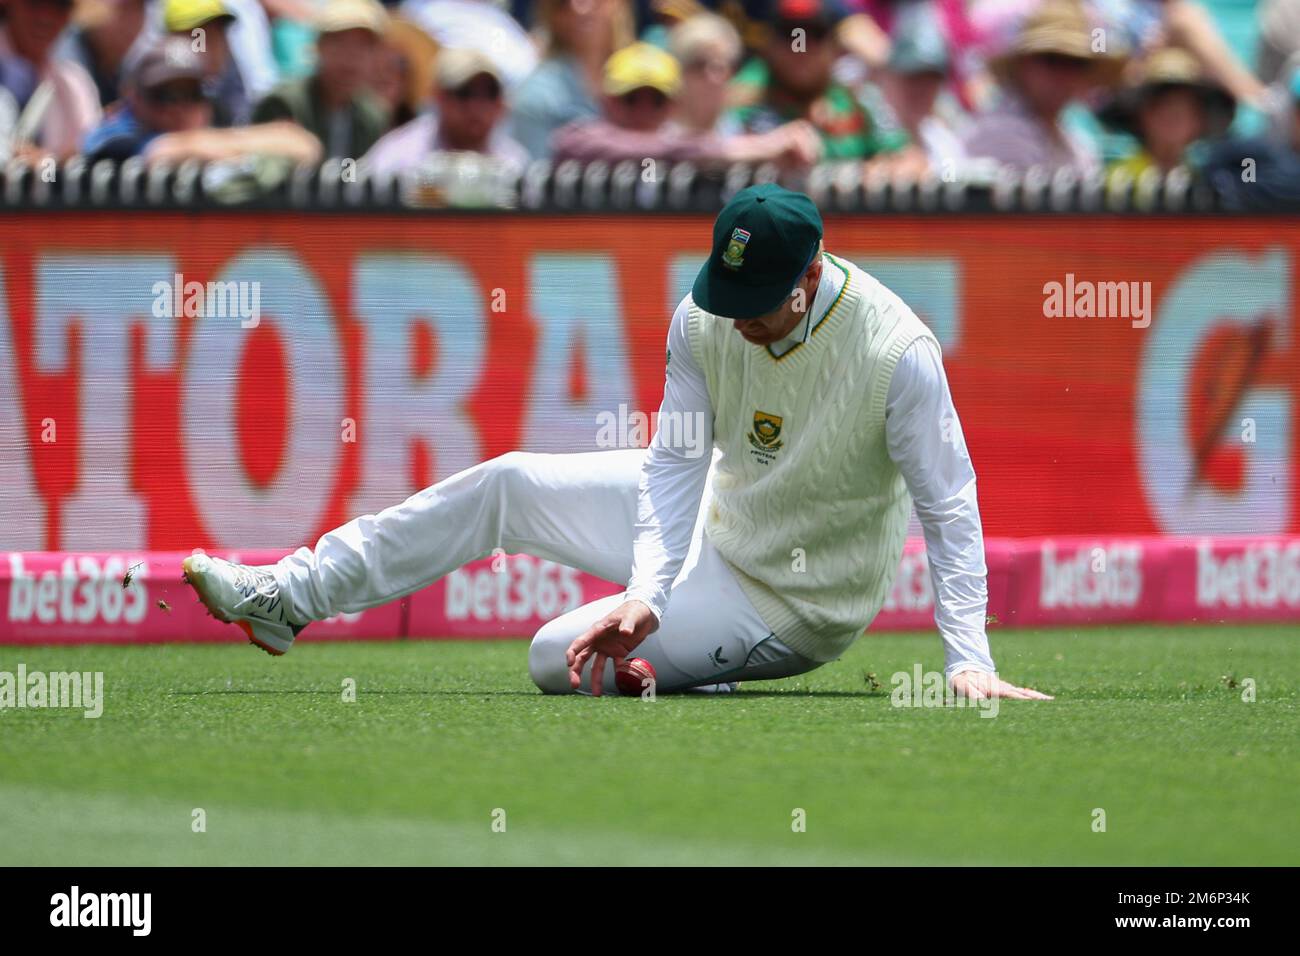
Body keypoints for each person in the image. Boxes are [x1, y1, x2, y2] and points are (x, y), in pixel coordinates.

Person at [181, 182, 1051, 704]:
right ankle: (291, 596)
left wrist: (966, 660)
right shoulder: (707, 318)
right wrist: (649, 591)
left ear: (812, 277)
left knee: (546, 657)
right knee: (509, 482)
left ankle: (682, 666)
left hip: (793, 605)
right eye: (728, 293)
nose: (736, 317)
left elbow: (949, 504)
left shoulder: (898, 352)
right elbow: (674, 463)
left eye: (758, 301)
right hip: (715, 519)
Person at [550, 40, 819, 167]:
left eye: (657, 99)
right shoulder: (580, 138)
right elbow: (657, 149)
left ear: (674, 105)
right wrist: (762, 146)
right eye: (630, 98)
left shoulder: (688, 144)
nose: (644, 109)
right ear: (606, 101)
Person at [82, 33, 320, 165]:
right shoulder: (114, 135)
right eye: (164, 95)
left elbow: (305, 145)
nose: (179, 107)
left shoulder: (216, 120)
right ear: (132, 97)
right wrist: (252, 143)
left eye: (192, 95)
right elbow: (162, 152)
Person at [726, 0, 911, 161]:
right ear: (770, 44)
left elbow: (906, 157)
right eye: (790, 34)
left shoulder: (858, 97)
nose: (800, 49)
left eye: (814, 34)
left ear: (833, 44)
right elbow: (717, 143)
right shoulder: (746, 93)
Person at [961, 0, 1124, 175]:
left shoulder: (1077, 145)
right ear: (1023, 65)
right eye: (1051, 60)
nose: (1064, 75)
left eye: (1076, 63)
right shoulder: (999, 133)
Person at [251, 0, 391, 160]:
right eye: (340, 42)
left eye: (363, 45)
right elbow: (267, 174)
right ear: (318, 46)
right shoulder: (285, 104)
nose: (352, 55)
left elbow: (352, 175)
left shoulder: (371, 117)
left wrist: (344, 181)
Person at [362, 46, 529, 176]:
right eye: (464, 93)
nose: (477, 106)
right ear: (438, 96)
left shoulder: (515, 164)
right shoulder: (398, 157)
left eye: (490, 93)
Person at [509, 0, 633, 158]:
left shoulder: (648, 77)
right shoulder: (536, 96)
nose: (579, 8)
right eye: (564, 2)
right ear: (551, 15)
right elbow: (536, 176)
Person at [1102, 44, 1234, 183]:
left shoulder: (1206, 183)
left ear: (1199, 121)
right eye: (1162, 108)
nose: (1171, 118)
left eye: (1183, 110)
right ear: (1141, 115)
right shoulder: (1118, 178)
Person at [0, 0, 102, 160]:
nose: (46, 18)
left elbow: (84, 166)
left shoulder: (74, 85)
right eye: (35, 4)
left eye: (61, 6)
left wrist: (46, 165)